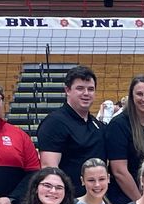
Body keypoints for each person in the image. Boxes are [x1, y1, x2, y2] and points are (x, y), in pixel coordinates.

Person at [37, 65, 105, 197]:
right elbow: (49, 169)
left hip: (97, 200)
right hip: (69, 201)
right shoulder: (54, 123)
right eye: (80, 88)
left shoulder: (97, 125)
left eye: (90, 89)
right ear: (67, 90)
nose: (86, 93)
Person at [105, 75, 144, 204]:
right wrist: (141, 203)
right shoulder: (119, 125)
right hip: (127, 201)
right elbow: (119, 171)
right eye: (139, 94)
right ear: (131, 97)